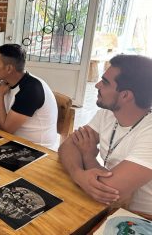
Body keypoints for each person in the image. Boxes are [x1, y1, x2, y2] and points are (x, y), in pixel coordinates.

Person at [59, 55, 152, 215]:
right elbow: (68, 145)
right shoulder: (108, 113)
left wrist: (88, 156)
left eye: (105, 82)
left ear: (125, 96)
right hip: (109, 206)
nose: (97, 85)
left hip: (140, 218)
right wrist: (78, 174)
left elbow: (110, 189)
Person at [0, 44, 58, 150]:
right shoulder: (6, 83)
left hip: (37, 149)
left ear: (9, 68)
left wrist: (0, 95)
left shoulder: (31, 89)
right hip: (16, 140)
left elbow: (6, 130)